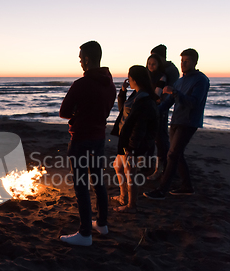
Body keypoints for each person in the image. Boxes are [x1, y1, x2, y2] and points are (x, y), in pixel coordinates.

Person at [58, 41, 116, 246]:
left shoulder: (81, 84)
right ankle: (102, 223)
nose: (80, 61)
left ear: (88, 59)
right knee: (98, 180)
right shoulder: (109, 83)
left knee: (81, 185)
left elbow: (64, 112)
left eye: (81, 58)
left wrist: (78, 113)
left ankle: (85, 234)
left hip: (81, 138)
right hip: (99, 137)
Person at [144, 48, 210, 200]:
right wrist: (154, 112)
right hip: (176, 120)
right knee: (177, 154)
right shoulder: (180, 81)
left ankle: (162, 190)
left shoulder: (201, 80)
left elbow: (194, 103)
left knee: (172, 154)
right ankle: (187, 186)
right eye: (182, 60)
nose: (183, 64)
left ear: (195, 62)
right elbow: (168, 102)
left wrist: (175, 92)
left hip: (189, 122)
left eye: (187, 61)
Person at [111, 66, 159, 213]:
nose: (128, 80)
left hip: (134, 142)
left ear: (135, 79)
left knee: (130, 172)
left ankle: (132, 204)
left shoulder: (144, 100)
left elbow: (140, 128)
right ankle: (122, 196)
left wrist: (131, 148)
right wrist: (123, 91)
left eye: (129, 78)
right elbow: (122, 110)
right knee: (117, 166)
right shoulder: (136, 95)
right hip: (126, 140)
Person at [146, 54, 168, 180]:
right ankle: (148, 165)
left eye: (153, 64)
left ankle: (159, 169)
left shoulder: (162, 76)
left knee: (159, 139)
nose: (151, 66)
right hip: (149, 109)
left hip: (157, 111)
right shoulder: (148, 76)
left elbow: (156, 94)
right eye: (149, 64)